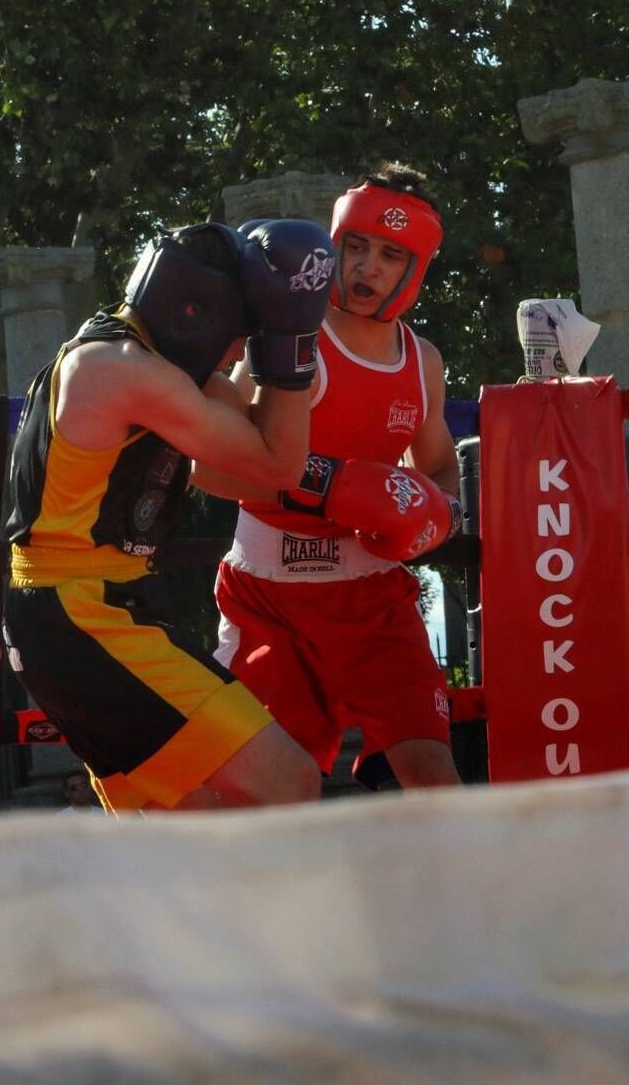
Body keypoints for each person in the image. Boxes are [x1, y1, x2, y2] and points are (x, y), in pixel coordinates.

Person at [0, 218, 337, 812]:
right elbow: (279, 464)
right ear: (197, 311)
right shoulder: (122, 371)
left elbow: (243, 467)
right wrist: (290, 337)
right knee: (288, 779)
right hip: (81, 611)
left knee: (182, 834)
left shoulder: (144, 359)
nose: (241, 352)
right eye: (243, 331)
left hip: (81, 610)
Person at [198, 166, 465, 790]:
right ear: (334, 245)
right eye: (357, 247)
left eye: (390, 255)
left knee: (435, 781)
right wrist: (335, 487)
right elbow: (209, 466)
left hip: (375, 598)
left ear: (413, 270)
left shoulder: (420, 360)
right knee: (268, 794)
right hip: (270, 599)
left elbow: (440, 465)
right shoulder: (290, 338)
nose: (368, 268)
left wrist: (440, 514)